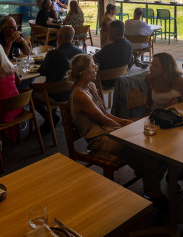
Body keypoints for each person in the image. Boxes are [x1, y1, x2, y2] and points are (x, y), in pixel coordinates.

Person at [69, 54, 167, 203]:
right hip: (98, 141)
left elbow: (105, 115)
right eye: (93, 67)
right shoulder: (80, 96)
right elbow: (103, 120)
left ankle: (150, 179)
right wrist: (127, 125)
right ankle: (151, 187)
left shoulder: (91, 86)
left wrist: (125, 122)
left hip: (108, 131)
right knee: (135, 145)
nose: (96, 70)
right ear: (84, 73)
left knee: (144, 140)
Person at [34, 26, 83, 132]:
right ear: (72, 37)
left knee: (30, 94)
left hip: (55, 95)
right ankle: (54, 113)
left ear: (59, 36)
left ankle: (49, 118)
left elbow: (42, 72)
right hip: (75, 91)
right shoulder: (81, 52)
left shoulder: (53, 54)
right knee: (56, 80)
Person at [93, 20, 132, 88]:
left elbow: (92, 60)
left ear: (112, 32)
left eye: (109, 31)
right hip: (121, 79)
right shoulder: (129, 45)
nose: (107, 33)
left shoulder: (108, 48)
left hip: (104, 81)